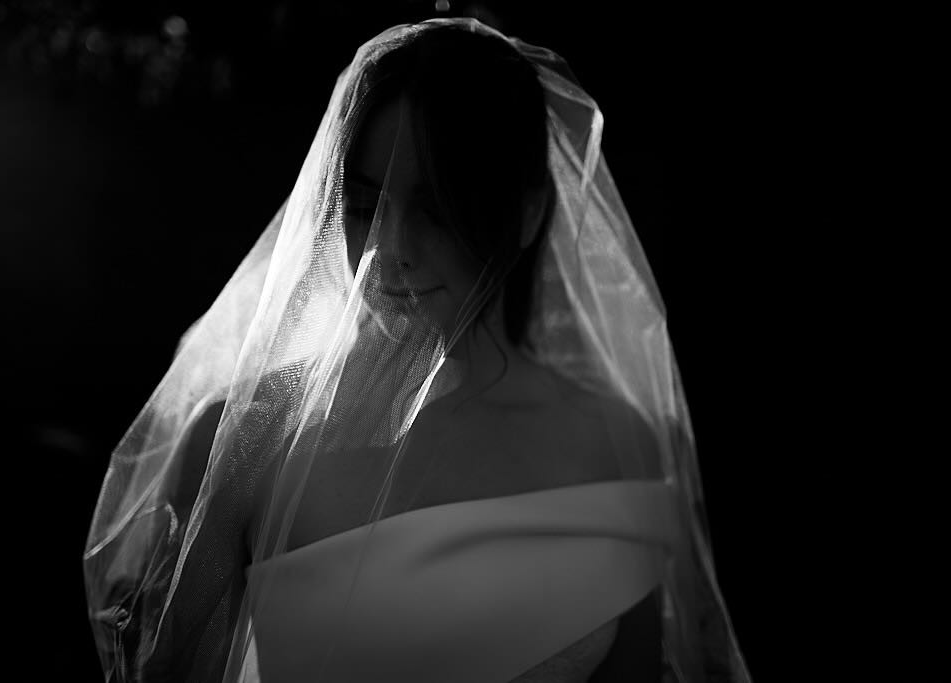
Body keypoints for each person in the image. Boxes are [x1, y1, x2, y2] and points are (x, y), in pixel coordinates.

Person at [84, 18, 751, 683]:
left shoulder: (617, 442)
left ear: (524, 212)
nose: (391, 250)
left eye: (435, 208)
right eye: (366, 204)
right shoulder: (247, 437)